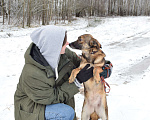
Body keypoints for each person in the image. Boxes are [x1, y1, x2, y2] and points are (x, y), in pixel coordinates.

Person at [14, 25, 113, 120]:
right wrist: (77, 81)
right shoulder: (32, 72)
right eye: (64, 42)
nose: (67, 43)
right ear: (53, 45)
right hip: (32, 110)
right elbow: (51, 98)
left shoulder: (63, 53)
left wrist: (104, 67)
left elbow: (83, 62)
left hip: (54, 100)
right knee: (65, 113)